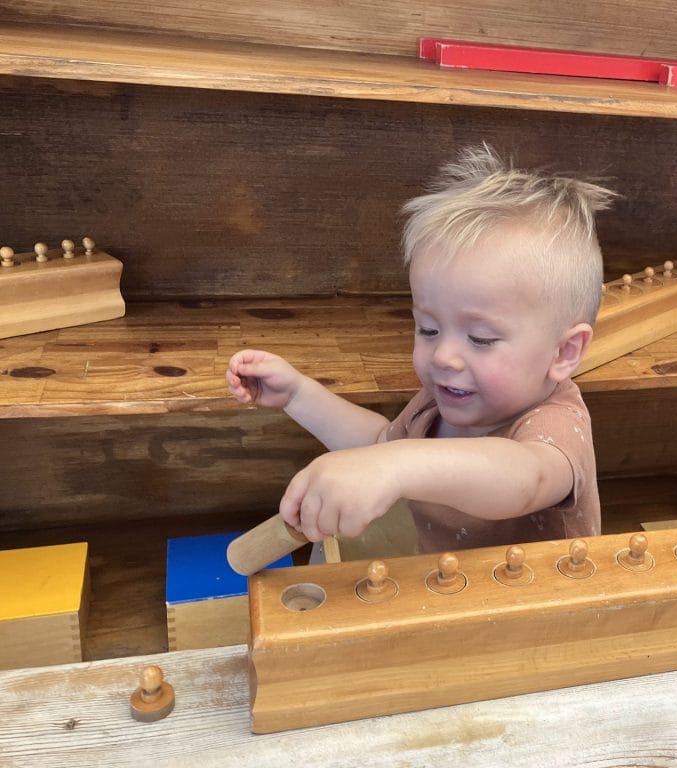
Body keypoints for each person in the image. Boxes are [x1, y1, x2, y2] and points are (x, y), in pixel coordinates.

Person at [225, 143, 617, 553]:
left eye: (481, 339)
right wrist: (300, 395)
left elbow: (524, 479)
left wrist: (396, 467)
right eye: (428, 329)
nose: (443, 357)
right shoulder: (441, 402)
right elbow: (383, 442)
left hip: (542, 609)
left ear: (564, 353)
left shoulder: (554, 425)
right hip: (447, 589)